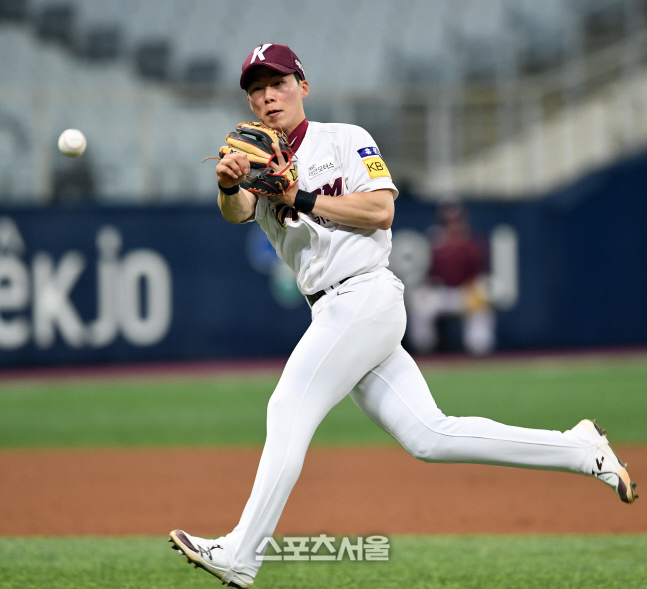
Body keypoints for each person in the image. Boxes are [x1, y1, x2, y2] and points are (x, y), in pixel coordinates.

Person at [168, 43, 636, 588]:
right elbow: (238, 213)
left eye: (277, 83)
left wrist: (301, 196)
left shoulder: (345, 139)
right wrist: (228, 184)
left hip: (364, 296)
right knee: (430, 436)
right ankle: (581, 449)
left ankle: (241, 556)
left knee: (288, 406)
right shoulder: (255, 156)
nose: (267, 96)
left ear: (303, 84)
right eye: (255, 89)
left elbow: (380, 210)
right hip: (335, 310)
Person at [407, 201, 496, 355]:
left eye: (457, 222)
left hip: (464, 292)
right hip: (441, 292)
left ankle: (479, 351)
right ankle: (423, 350)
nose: (453, 226)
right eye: (448, 222)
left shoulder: (471, 244)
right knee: (420, 303)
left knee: (482, 303)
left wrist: (475, 292)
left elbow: (477, 275)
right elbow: (427, 275)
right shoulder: (435, 243)